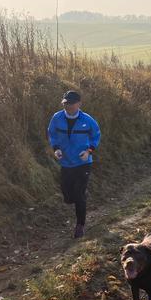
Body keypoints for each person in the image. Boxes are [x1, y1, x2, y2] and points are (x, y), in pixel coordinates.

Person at [47, 90, 101, 238]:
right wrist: (56, 148)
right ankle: (80, 195)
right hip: (66, 162)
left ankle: (80, 226)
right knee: (67, 195)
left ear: (79, 104)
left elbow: (96, 135)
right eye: (65, 104)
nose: (68, 106)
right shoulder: (57, 118)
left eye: (71, 104)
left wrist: (89, 151)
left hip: (83, 162)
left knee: (78, 195)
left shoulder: (87, 120)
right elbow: (52, 134)